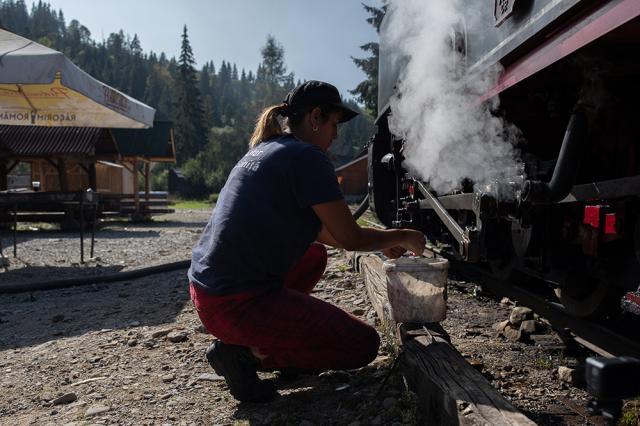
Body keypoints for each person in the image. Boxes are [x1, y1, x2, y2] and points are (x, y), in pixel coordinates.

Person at [188, 80, 426, 402]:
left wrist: (381, 242)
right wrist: (403, 235)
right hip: (235, 303)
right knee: (362, 345)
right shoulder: (308, 157)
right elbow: (350, 236)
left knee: (314, 255)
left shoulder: (267, 149)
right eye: (333, 124)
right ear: (315, 117)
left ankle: (267, 338)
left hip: (208, 290)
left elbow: (325, 233)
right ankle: (246, 355)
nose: (335, 135)